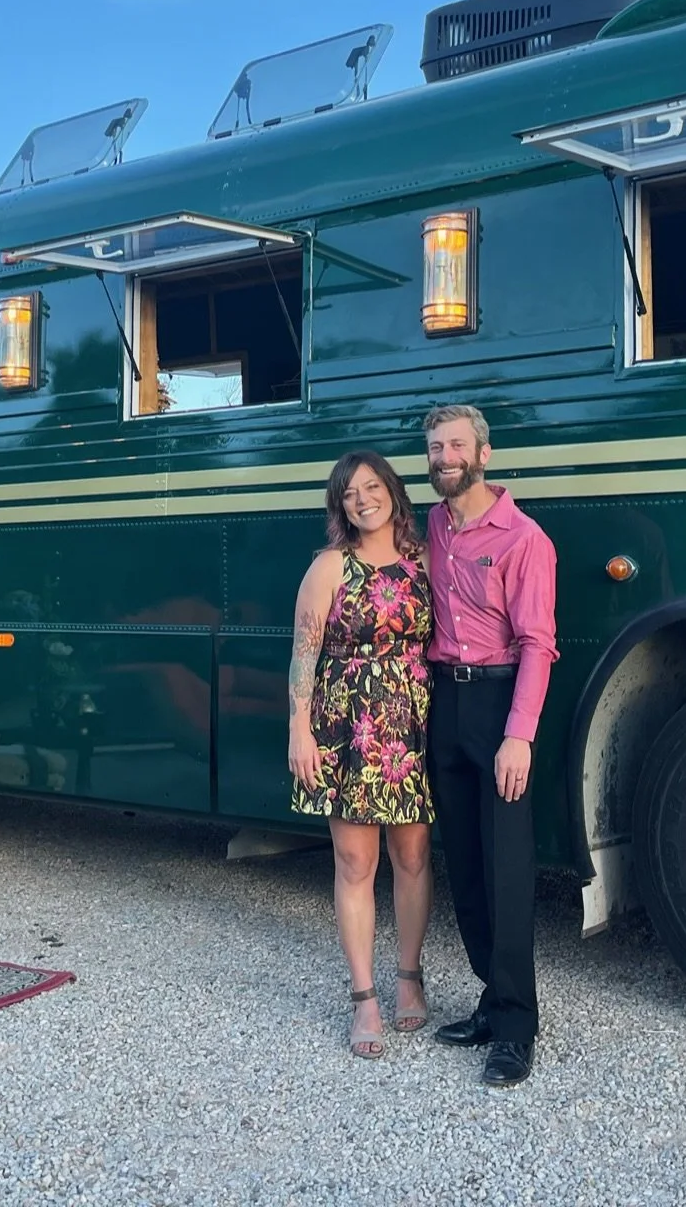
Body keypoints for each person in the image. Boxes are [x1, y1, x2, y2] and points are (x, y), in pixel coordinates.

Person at [421, 403, 557, 1087]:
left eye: (455, 445)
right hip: (445, 702)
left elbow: (538, 644)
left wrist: (518, 736)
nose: (444, 457)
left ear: (483, 454)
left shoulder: (524, 538)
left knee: (505, 870)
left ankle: (515, 1027)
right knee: (466, 866)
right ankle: (489, 997)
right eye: (434, 447)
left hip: (499, 706)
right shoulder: (434, 526)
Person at [288, 451, 436, 1059]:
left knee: (413, 856)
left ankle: (409, 978)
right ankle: (364, 997)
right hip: (345, 726)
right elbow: (304, 654)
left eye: (371, 487)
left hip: (411, 724)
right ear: (340, 507)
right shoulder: (329, 566)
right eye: (349, 494)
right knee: (354, 862)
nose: (362, 499)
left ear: (392, 492)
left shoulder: (424, 560)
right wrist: (299, 729)